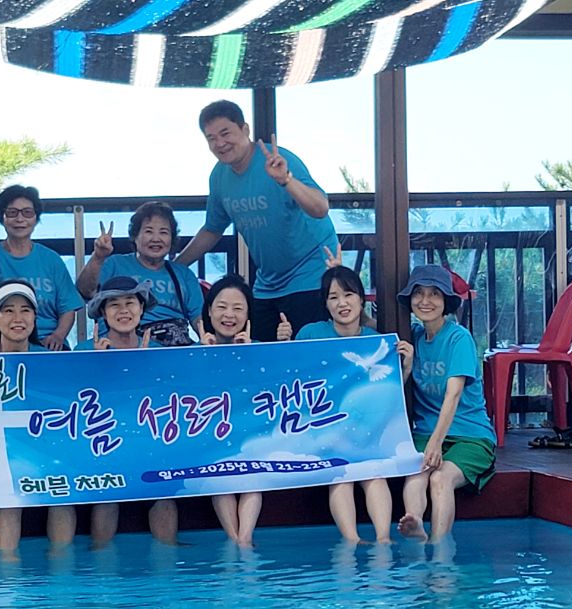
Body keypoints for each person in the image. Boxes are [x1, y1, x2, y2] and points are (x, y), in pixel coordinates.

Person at [176, 100, 338, 343]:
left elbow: (320, 208)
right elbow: (212, 229)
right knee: (258, 350)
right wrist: (176, 267)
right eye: (211, 138)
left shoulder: (279, 160)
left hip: (311, 274)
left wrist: (285, 180)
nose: (220, 143)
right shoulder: (219, 176)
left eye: (225, 133)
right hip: (267, 283)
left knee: (303, 354)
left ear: (245, 129)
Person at [395, 265, 496, 543]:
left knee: (440, 478)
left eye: (434, 294)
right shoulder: (413, 336)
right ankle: (415, 523)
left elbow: (453, 395)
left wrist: (436, 443)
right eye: (418, 293)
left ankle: (440, 551)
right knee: (416, 473)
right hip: (426, 432)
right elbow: (367, 324)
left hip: (470, 436)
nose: (425, 301)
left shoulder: (458, 338)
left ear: (446, 301)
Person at [292, 266, 392, 544]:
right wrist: (283, 343)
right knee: (342, 472)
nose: (342, 303)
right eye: (333, 297)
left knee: (374, 472)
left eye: (348, 295)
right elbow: (292, 376)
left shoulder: (375, 341)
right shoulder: (311, 334)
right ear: (325, 304)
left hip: (366, 429)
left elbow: (389, 394)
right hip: (322, 427)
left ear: (361, 300)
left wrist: (404, 367)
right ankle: (352, 541)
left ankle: (384, 540)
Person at [75, 276, 176, 545]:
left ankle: (168, 555)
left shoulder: (157, 350)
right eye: (114, 304)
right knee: (107, 494)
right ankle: (101, 557)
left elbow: (168, 400)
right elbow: (75, 401)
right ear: (103, 313)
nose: (123, 310)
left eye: (130, 302)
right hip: (102, 440)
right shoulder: (84, 351)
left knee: (164, 490)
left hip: (147, 438)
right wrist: (98, 366)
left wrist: (145, 365)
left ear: (141, 308)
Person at [0, 279, 76, 557]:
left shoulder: (54, 361)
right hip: (2, 452)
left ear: (35, 318)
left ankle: (63, 569)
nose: (18, 318)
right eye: (8, 311)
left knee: (63, 493)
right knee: (8, 497)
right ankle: (7, 572)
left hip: (46, 449)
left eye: (25, 310)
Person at [0, 185, 83, 351]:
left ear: (36, 218)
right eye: (12, 212)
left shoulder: (51, 259)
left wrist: (58, 336)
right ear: (2, 217)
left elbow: (67, 308)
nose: (20, 219)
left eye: (27, 212)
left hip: (45, 341)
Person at [77, 201, 202, 347]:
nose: (156, 238)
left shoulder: (183, 274)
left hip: (175, 348)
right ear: (135, 236)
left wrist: (210, 342)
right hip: (120, 346)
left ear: (172, 239)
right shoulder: (114, 264)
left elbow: (199, 319)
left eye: (163, 232)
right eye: (149, 231)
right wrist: (98, 257)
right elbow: (85, 291)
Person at [197, 274, 263, 546]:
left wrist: (246, 356)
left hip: (252, 433)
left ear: (248, 315)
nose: (229, 315)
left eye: (238, 308)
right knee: (218, 468)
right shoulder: (193, 352)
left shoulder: (259, 350)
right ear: (209, 311)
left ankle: (245, 539)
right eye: (222, 307)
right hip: (211, 435)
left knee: (254, 470)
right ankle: (235, 538)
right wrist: (205, 357)